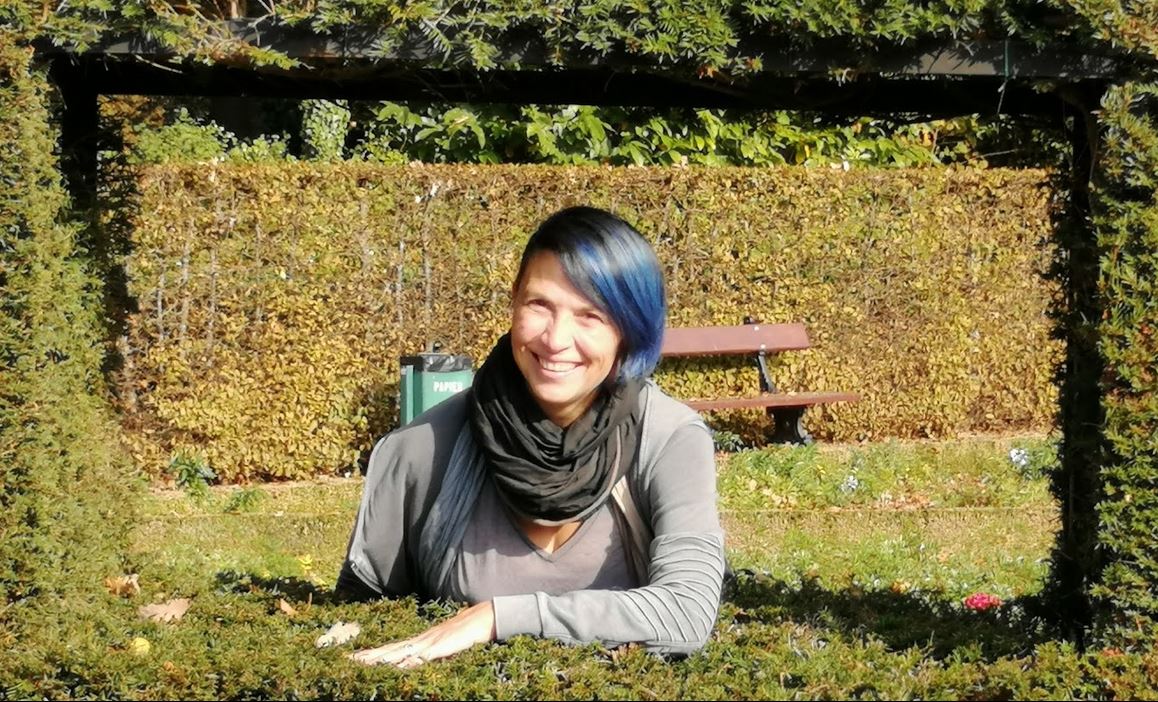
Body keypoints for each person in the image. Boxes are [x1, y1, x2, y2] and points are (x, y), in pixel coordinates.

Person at [336, 205, 725, 668]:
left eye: (591, 315)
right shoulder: (418, 450)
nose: (556, 339)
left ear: (629, 329)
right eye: (539, 305)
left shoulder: (669, 439)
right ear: (514, 301)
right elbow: (363, 623)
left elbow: (687, 611)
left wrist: (495, 618)